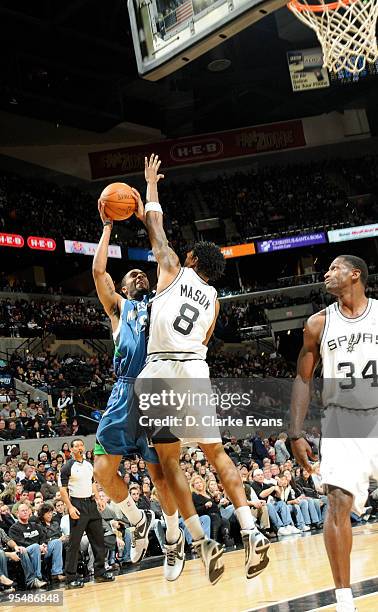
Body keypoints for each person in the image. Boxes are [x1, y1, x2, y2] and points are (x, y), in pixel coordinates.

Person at [136, 153, 270, 584]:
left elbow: (155, 228)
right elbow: (205, 341)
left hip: (161, 370)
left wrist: (150, 187)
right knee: (216, 452)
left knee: (169, 459)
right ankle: (251, 531)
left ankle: (200, 540)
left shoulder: (173, 268)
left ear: (192, 257)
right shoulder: (213, 301)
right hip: (196, 367)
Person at [92, 167, 183, 583]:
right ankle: (134, 518)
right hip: (124, 391)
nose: (138, 276)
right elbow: (98, 274)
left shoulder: (161, 299)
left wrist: (148, 192)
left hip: (158, 390)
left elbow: (163, 249)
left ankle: (173, 535)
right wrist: (107, 226)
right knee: (102, 471)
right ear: (124, 288)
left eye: (140, 273)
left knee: (160, 472)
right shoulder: (117, 310)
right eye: (131, 275)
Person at [289, 255, 378, 612]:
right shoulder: (317, 323)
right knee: (337, 503)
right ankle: (344, 600)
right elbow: (302, 378)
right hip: (341, 420)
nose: (326, 273)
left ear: (356, 274)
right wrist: (295, 431)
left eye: (334, 268)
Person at [59, 438, 114, 589]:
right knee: (74, 543)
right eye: (76, 446)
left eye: (81, 445)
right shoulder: (67, 467)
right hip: (76, 505)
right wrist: (70, 507)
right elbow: (63, 490)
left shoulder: (89, 465)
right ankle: (70, 578)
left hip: (90, 504)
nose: (79, 448)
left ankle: (100, 572)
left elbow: (92, 484)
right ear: (71, 450)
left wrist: (98, 499)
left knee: (98, 539)